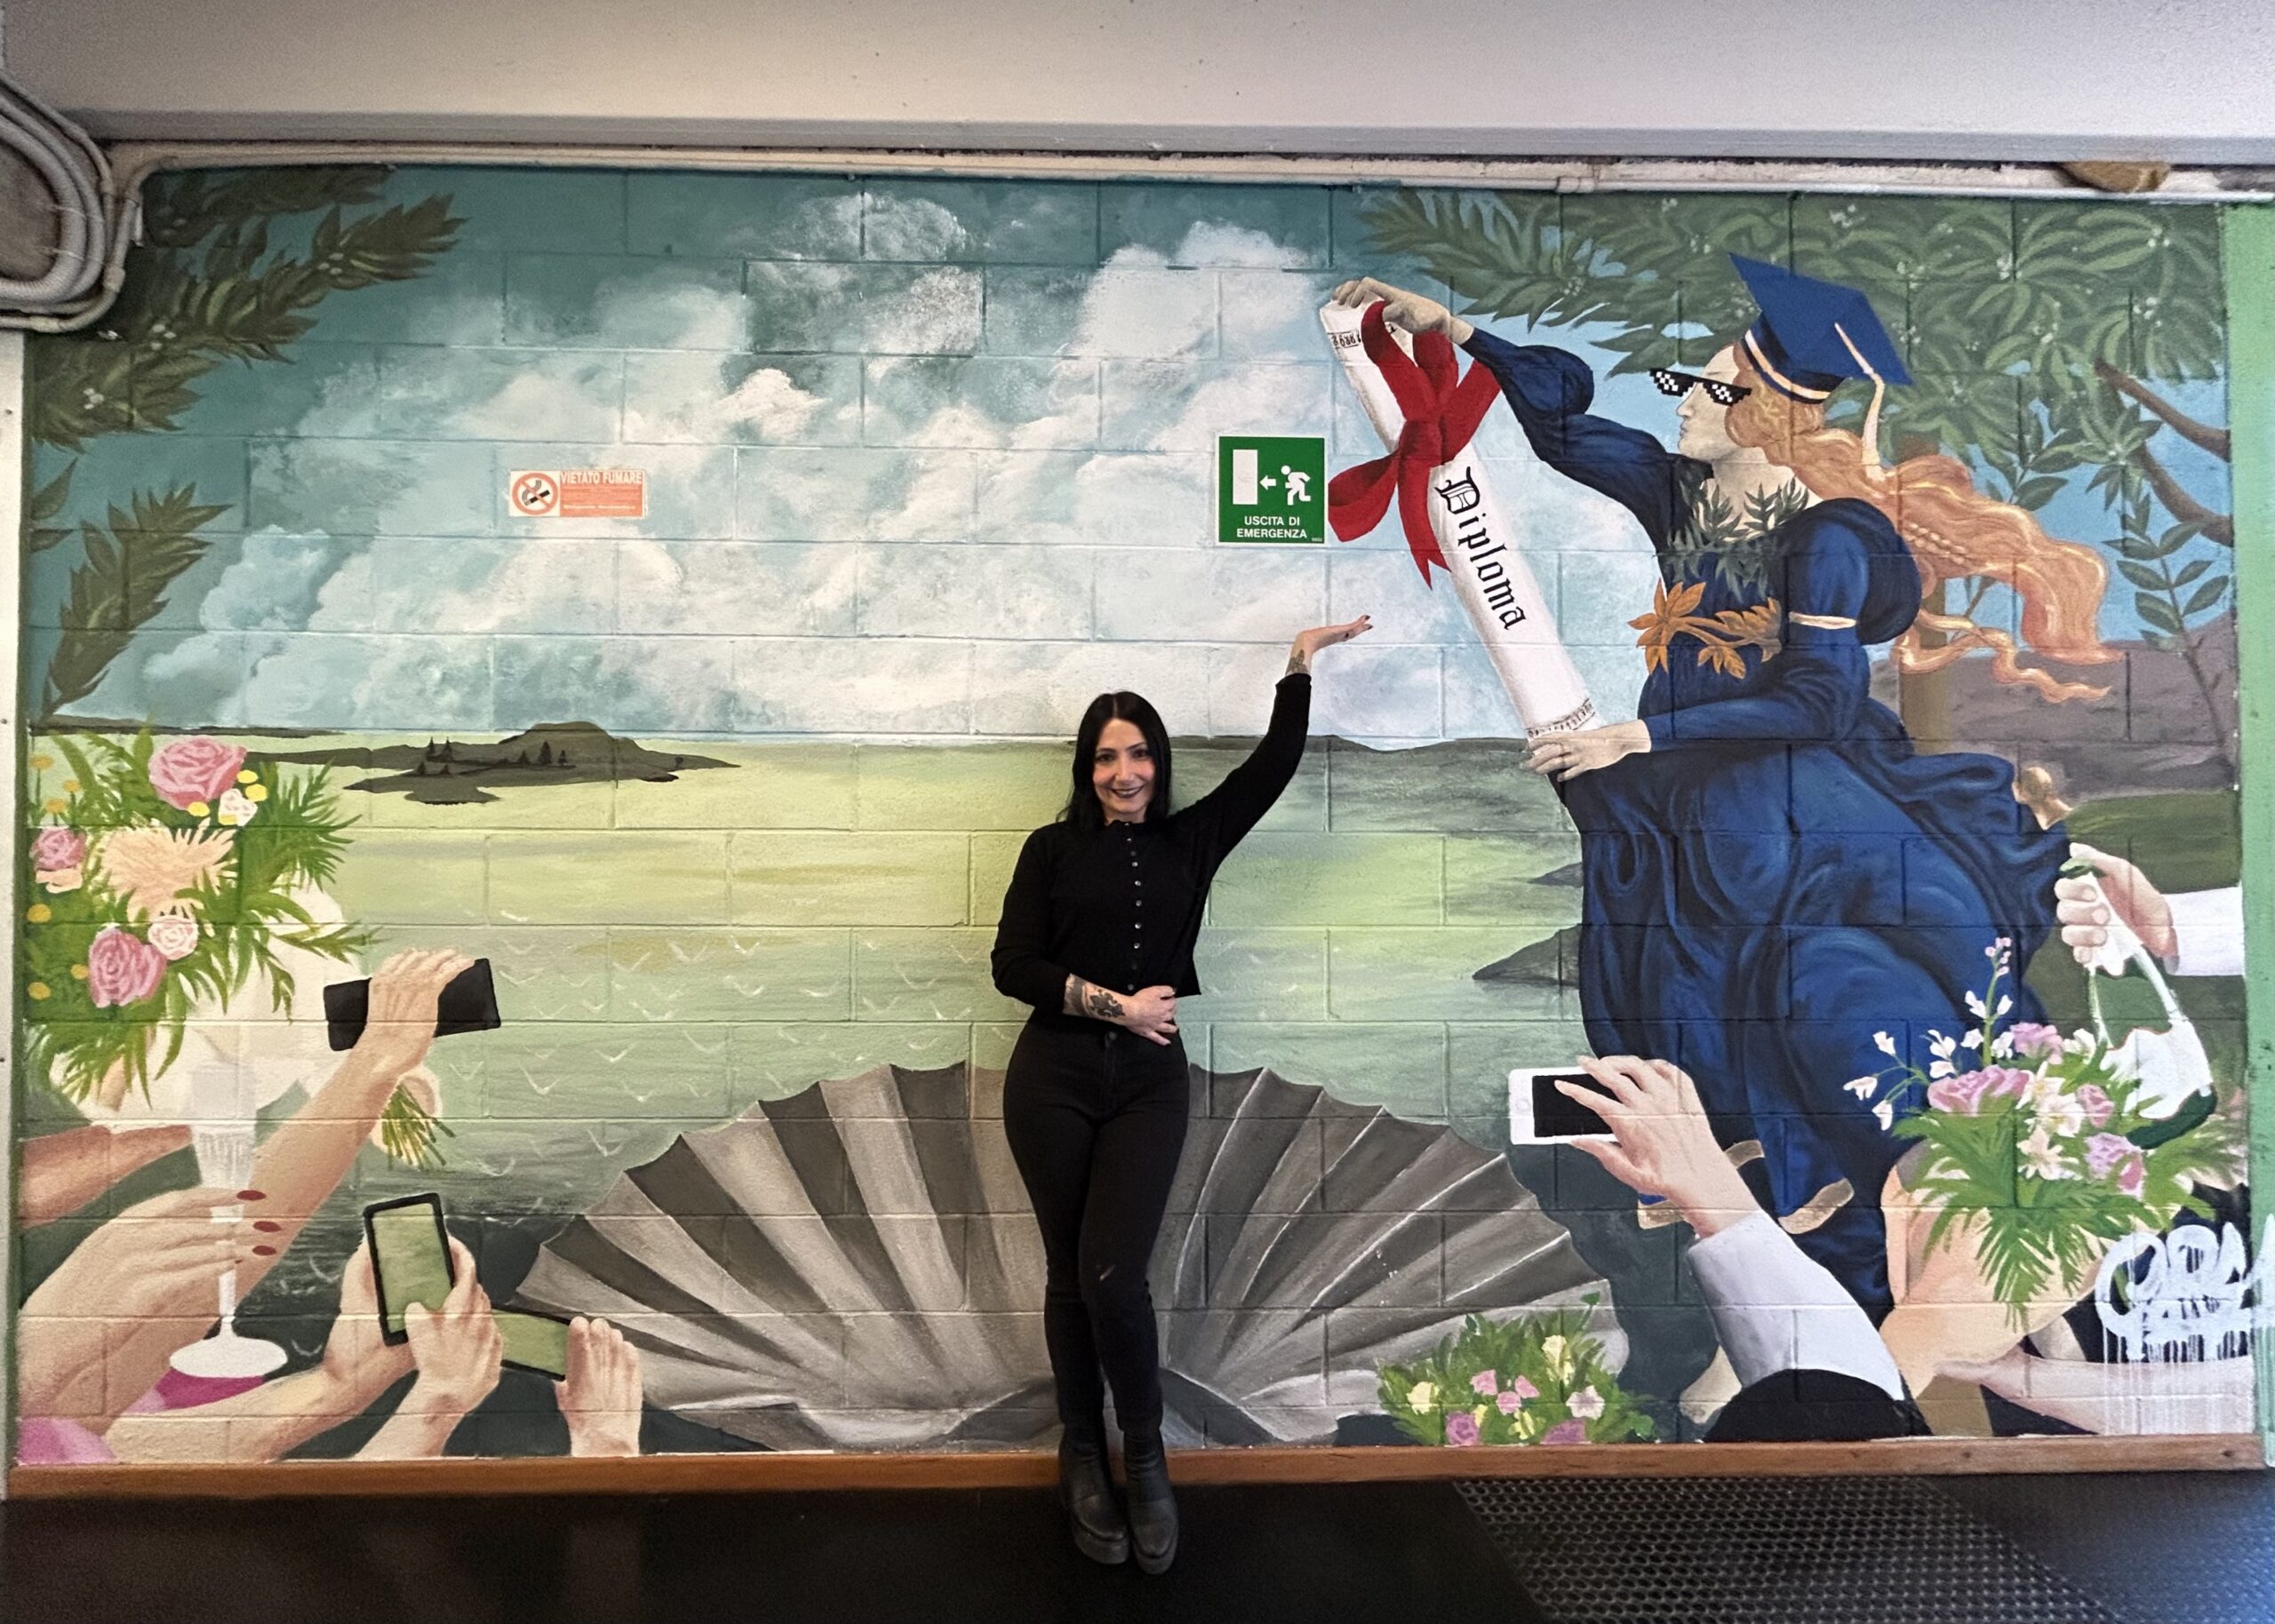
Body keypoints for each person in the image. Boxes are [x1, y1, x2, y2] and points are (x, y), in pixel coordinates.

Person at [1330, 267, 2115, 1318]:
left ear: (1762, 412)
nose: (1683, 402)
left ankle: (1898, 1263)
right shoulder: (1685, 496)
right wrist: (1459, 330)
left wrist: (1636, 735)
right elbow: (1562, 432)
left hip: (1789, 812)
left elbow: (1820, 702)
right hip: (1691, 808)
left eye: (1703, 388)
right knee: (1689, 1011)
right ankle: (1787, 1260)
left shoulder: (1823, 539)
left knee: (1790, 1012)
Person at [989, 617, 1370, 1572]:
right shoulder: (1048, 850)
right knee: (1069, 1276)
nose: (1124, 772)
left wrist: (1297, 665)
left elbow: (1270, 768)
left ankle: (1147, 1457)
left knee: (1116, 1277)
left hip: (1148, 1086)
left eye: (1139, 754)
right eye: (1106, 756)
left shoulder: (1191, 841)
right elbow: (1011, 965)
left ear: (1158, 763)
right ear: (1086, 768)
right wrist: (1114, 1004)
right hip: (1051, 1079)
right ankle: (1083, 1452)